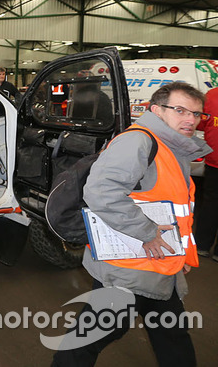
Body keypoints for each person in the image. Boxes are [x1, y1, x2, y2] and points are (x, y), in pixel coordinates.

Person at [52, 82, 211, 366]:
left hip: (160, 264)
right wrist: (148, 233)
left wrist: (182, 254)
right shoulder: (139, 142)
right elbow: (102, 191)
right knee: (89, 339)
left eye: (197, 114)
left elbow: (175, 209)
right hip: (130, 269)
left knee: (172, 336)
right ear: (156, 110)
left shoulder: (172, 147)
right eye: (180, 110)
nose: (190, 119)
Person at [196, 87, 218, 260]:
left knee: (210, 203)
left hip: (214, 160)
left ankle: (202, 246)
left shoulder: (212, 95)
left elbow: (202, 123)